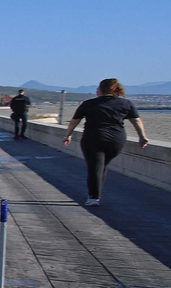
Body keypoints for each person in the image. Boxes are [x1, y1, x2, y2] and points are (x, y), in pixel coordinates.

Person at [63, 78, 149, 206]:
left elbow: (74, 121)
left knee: (95, 167)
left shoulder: (88, 104)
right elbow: (136, 120)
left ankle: (94, 197)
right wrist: (142, 137)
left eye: (98, 88)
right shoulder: (126, 103)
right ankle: (95, 194)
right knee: (101, 166)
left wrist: (68, 135)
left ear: (102, 89)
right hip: (116, 141)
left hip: (93, 139)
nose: (96, 90)